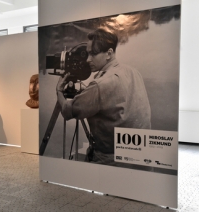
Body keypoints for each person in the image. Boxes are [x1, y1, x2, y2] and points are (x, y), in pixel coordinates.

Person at [56, 28, 151, 165]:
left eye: (92, 54)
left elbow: (67, 111)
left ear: (109, 53)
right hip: (141, 155)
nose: (88, 59)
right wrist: (87, 91)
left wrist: (59, 91)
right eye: (87, 54)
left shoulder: (99, 85)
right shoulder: (133, 72)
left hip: (112, 159)